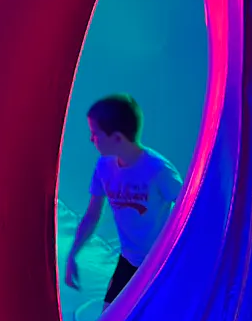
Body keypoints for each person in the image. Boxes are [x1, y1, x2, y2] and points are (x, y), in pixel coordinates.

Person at [61, 94, 185, 305]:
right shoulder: (103, 168)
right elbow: (92, 216)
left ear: (117, 138)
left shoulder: (158, 170)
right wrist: (73, 254)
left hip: (163, 261)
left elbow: (189, 211)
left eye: (95, 134)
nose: (91, 139)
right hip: (129, 260)